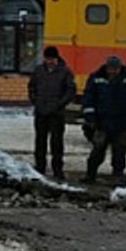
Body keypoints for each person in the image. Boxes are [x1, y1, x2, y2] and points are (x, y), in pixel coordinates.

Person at [80, 56, 126, 184]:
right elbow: (89, 97)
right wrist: (90, 117)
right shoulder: (96, 78)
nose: (113, 72)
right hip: (101, 122)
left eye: (116, 69)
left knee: (119, 151)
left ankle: (118, 175)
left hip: (121, 122)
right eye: (111, 69)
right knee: (98, 150)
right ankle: (90, 175)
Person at [28, 45, 76, 180]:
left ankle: (57, 169)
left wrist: (58, 105)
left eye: (52, 59)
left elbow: (70, 91)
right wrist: (36, 102)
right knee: (40, 141)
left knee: (57, 143)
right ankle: (40, 167)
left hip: (57, 114)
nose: (50, 61)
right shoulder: (38, 71)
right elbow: (32, 87)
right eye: (48, 59)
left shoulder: (65, 72)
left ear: (56, 58)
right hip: (41, 112)